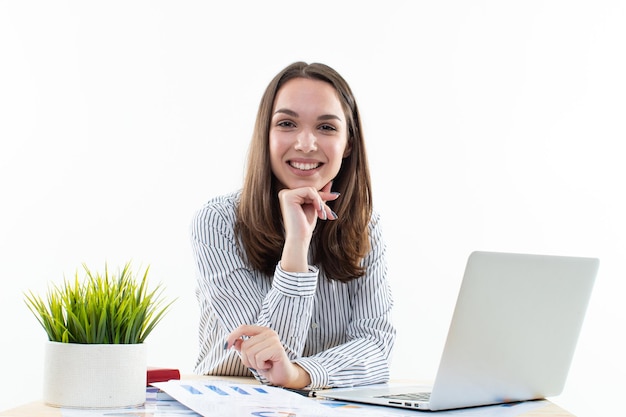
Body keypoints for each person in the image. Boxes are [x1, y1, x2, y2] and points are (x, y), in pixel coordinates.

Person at [190, 61, 395, 390]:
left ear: (349, 144)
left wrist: (300, 374)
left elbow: (376, 346)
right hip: (234, 402)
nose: (305, 143)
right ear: (265, 135)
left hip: (324, 403)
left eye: (326, 128)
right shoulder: (218, 221)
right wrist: (297, 244)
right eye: (287, 123)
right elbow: (264, 361)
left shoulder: (363, 224)